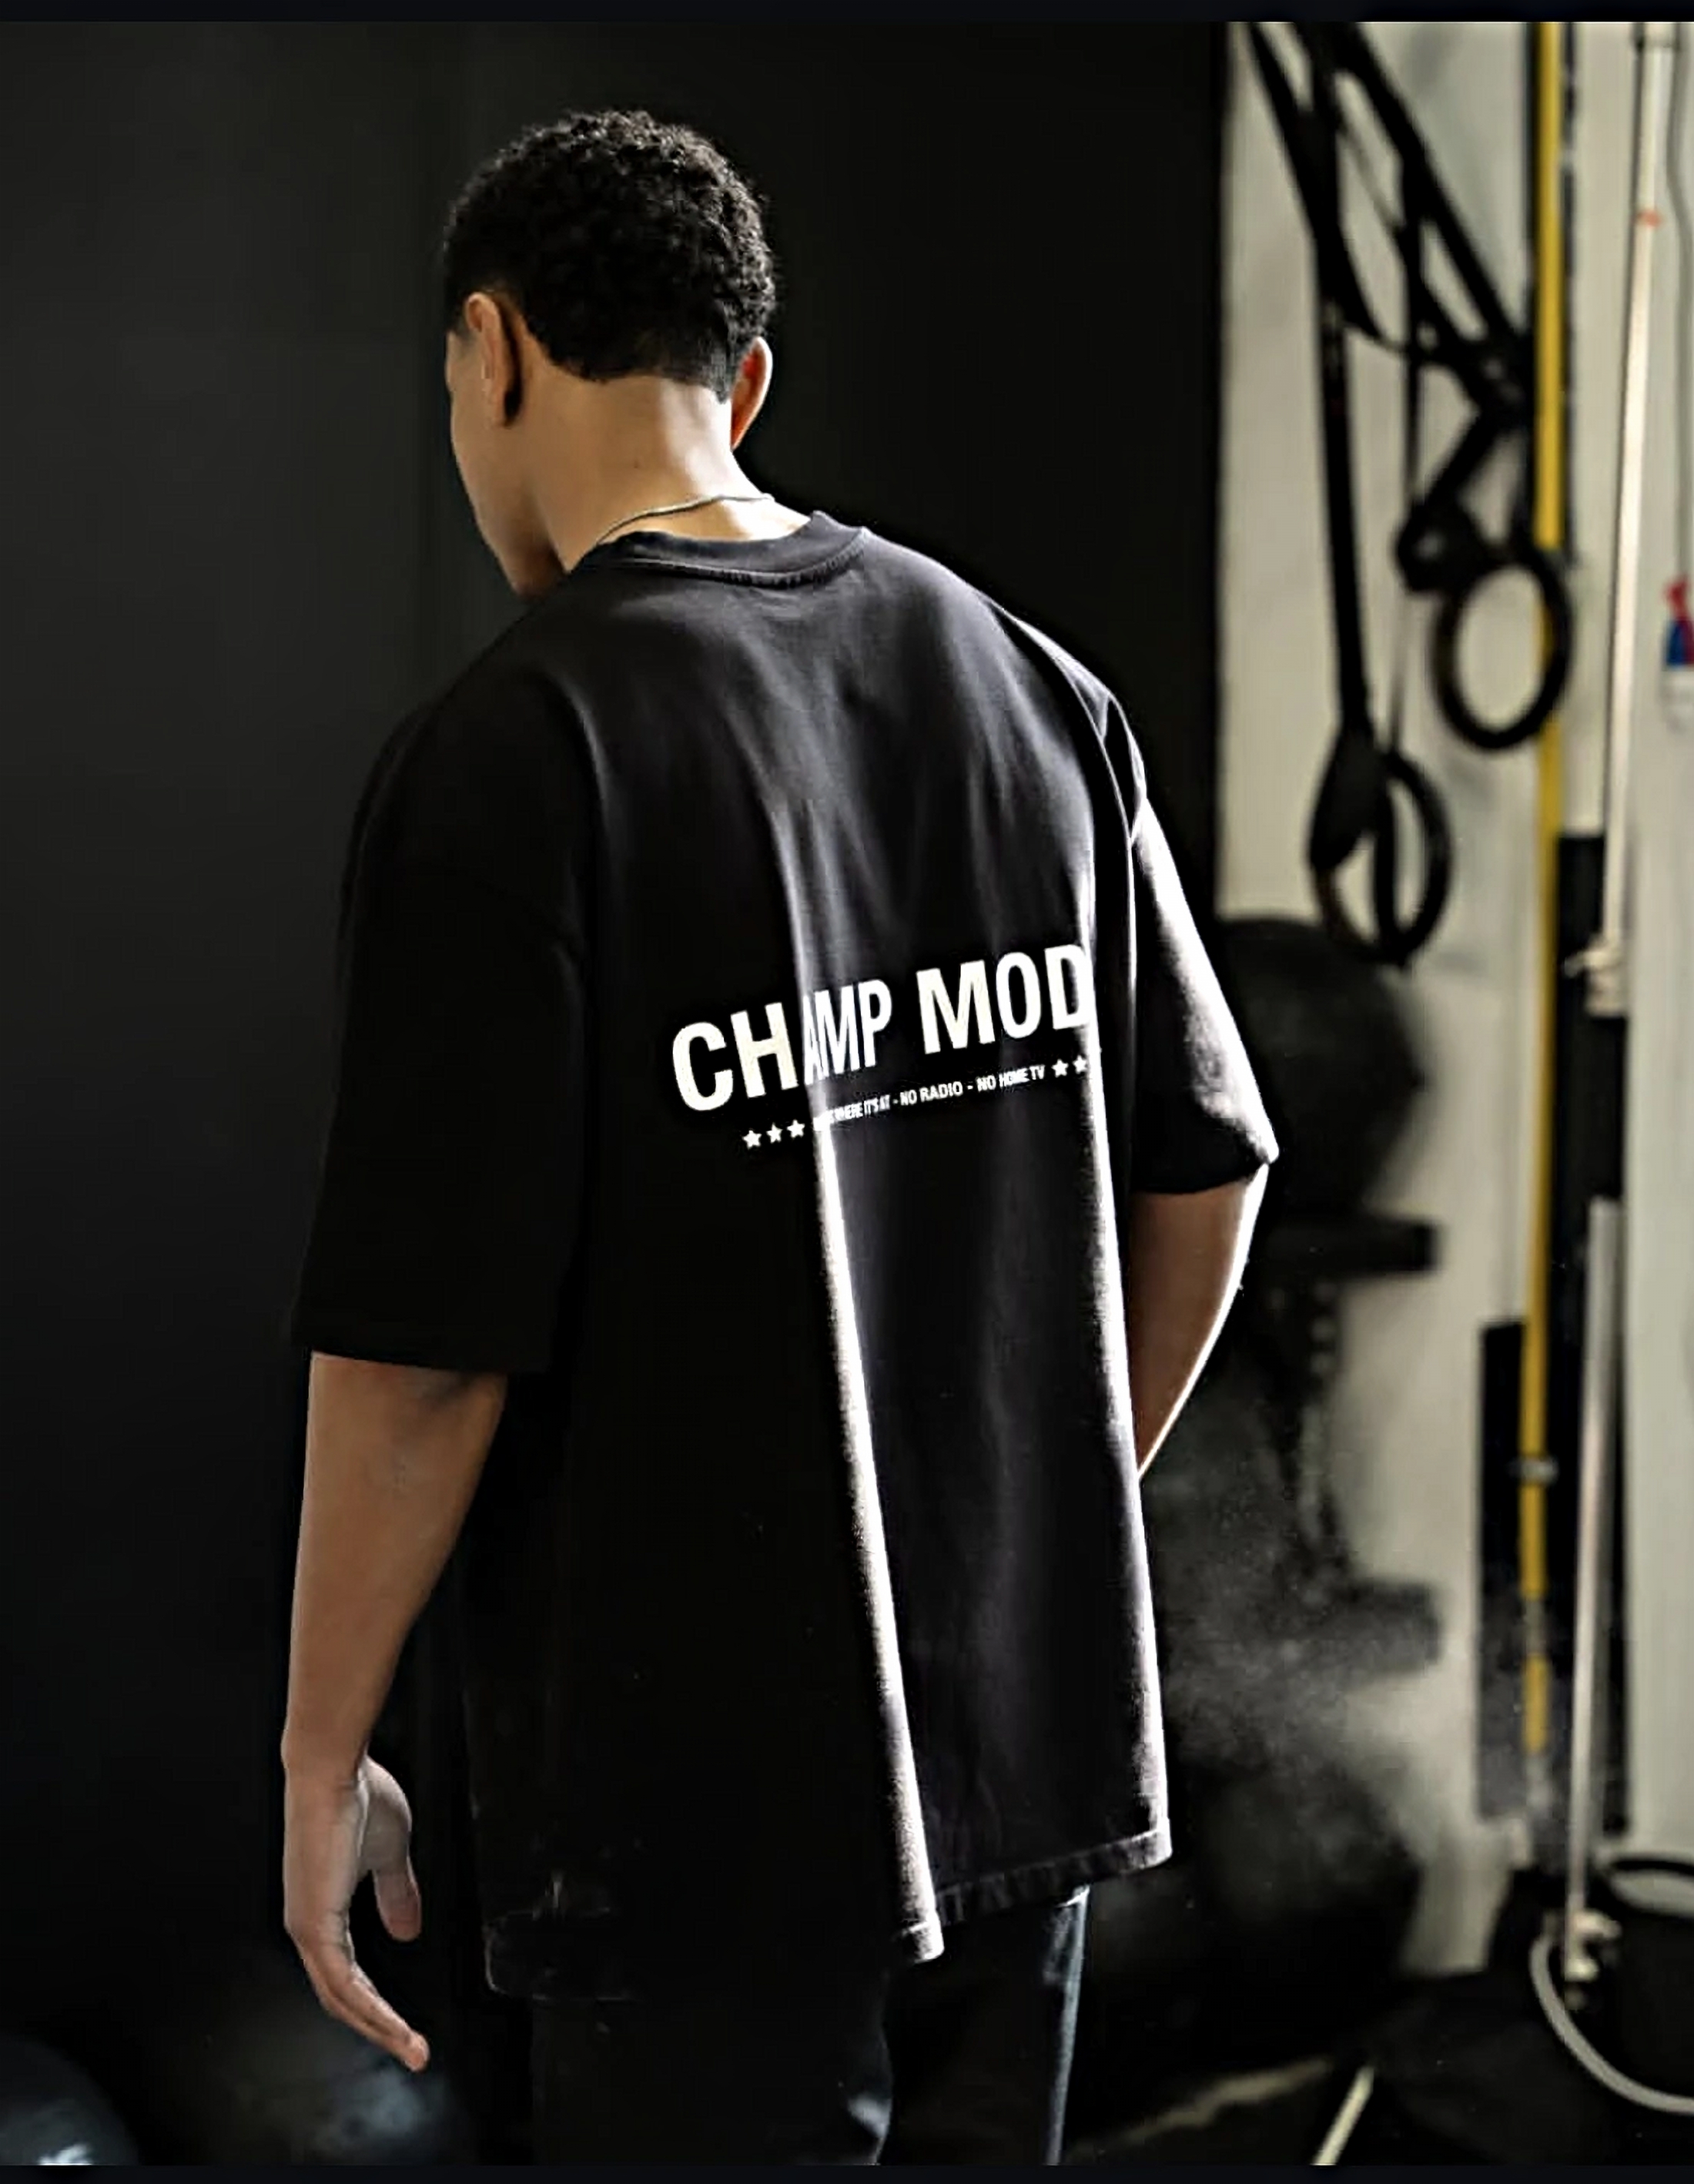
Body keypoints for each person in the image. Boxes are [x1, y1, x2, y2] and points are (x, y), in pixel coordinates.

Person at [278, 108, 1277, 2166]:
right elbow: (1211, 1165)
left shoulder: (510, 756)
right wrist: (1029, 1518)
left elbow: (426, 1352)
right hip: (1019, 1754)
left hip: (696, 1822)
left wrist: (317, 1749)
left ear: (491, 352)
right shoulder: (1031, 685)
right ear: (742, 383)